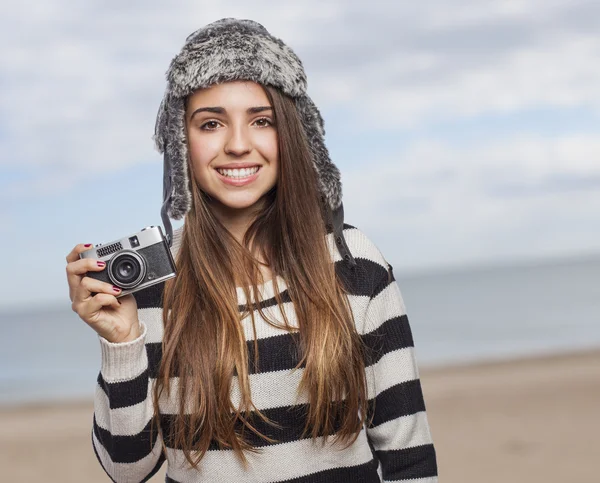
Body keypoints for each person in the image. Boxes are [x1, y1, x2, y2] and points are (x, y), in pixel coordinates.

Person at [65, 18, 438, 483]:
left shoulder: (352, 260)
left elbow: (409, 455)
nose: (238, 145)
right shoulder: (152, 283)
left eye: (261, 121)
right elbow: (127, 470)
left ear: (292, 135)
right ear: (181, 144)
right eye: (211, 123)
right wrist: (121, 343)